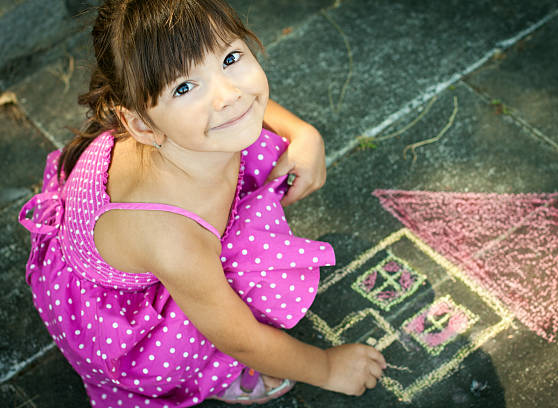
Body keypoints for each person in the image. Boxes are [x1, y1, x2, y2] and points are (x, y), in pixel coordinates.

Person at [18, 0, 386, 407]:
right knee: (219, 319)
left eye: (230, 57)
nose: (228, 95)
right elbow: (239, 338)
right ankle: (213, 376)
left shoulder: (189, 126)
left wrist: (303, 134)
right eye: (184, 87)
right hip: (119, 315)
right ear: (141, 124)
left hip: (160, 234)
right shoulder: (172, 236)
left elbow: (246, 99)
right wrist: (327, 368)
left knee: (253, 139)